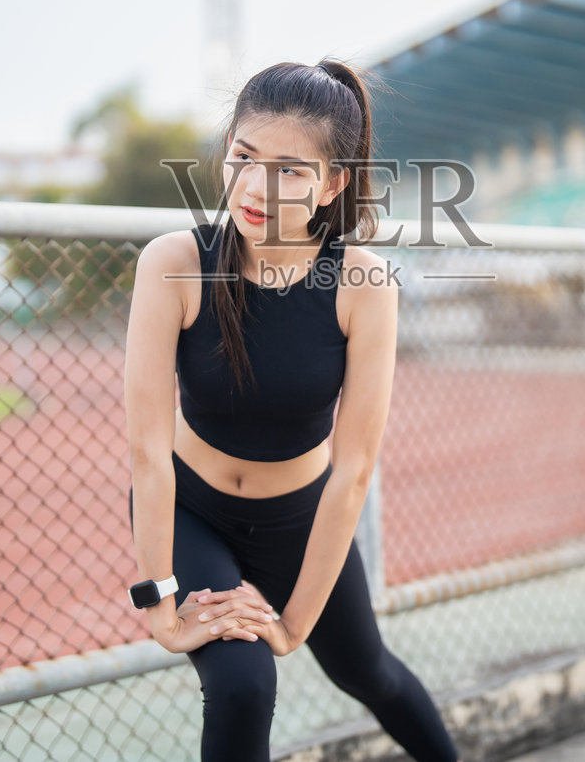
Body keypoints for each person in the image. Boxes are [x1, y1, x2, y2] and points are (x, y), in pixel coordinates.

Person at [121, 60, 461, 761]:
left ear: (332, 183)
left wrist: (293, 623)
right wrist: (160, 603)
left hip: (303, 518)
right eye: (243, 157)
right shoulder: (173, 263)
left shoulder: (363, 283)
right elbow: (147, 451)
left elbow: (354, 469)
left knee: (369, 672)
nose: (253, 186)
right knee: (244, 682)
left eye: (288, 170)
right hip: (195, 511)